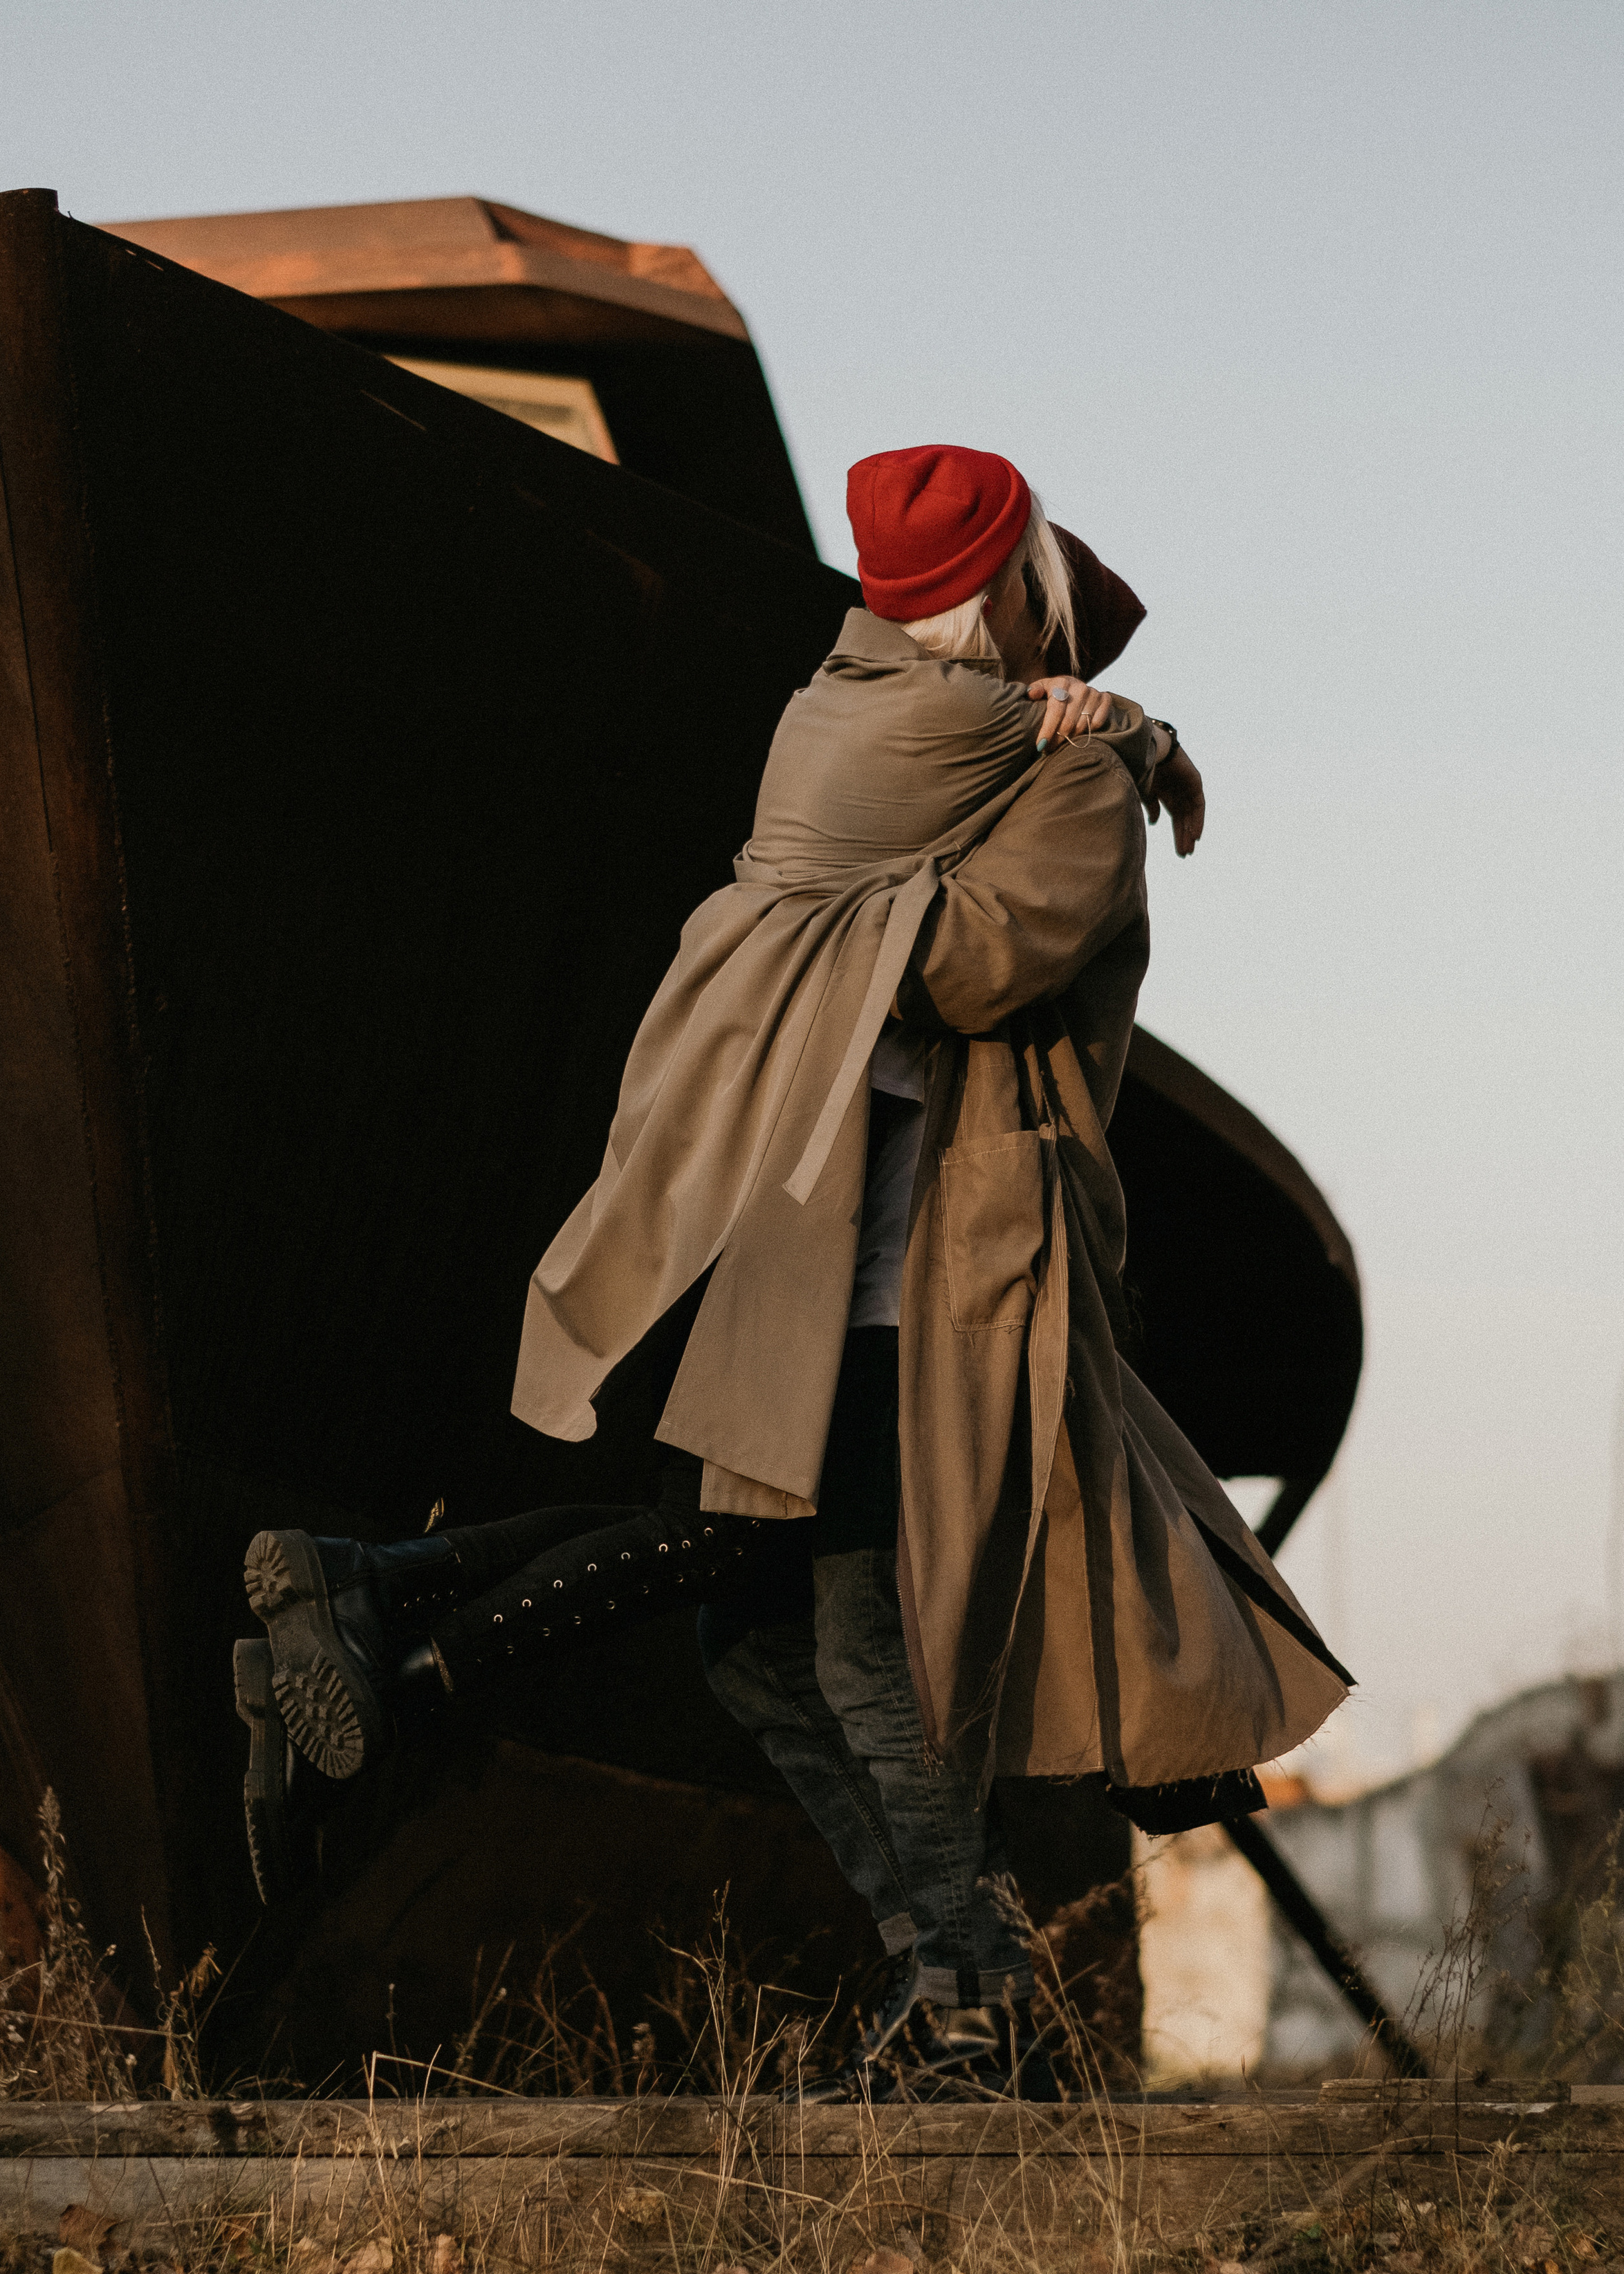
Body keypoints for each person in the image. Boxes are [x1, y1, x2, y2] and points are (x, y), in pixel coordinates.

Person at [238, 446, 1347, 2098]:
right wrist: (1095, 746)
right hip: (831, 1267)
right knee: (795, 1639)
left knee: (805, 1639)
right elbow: (900, 924)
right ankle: (954, 1994)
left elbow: (981, 970)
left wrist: (1100, 745)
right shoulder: (896, 729)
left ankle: (394, 1614)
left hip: (940, 1278)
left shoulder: (1058, 781)